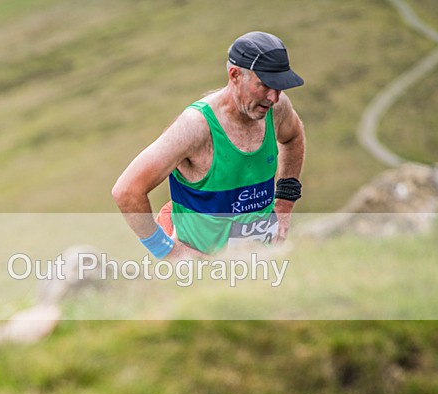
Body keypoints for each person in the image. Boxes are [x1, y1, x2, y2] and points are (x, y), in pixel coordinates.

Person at [112, 31, 306, 259]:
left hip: (255, 262)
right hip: (198, 269)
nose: (273, 97)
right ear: (235, 75)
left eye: (280, 86)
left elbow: (293, 137)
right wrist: (168, 251)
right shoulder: (195, 127)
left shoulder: (277, 108)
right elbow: (127, 191)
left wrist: (284, 204)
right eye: (264, 85)